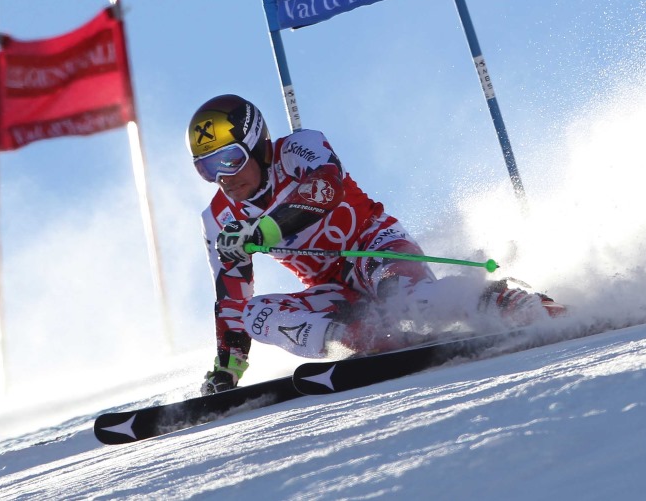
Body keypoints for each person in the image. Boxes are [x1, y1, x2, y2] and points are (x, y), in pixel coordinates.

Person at [188, 94, 564, 395]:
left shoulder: (299, 147)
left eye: (230, 159)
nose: (223, 178)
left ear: (256, 145)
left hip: (376, 248)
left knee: (411, 301)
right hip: (332, 288)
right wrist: (227, 368)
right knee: (257, 315)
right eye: (206, 168)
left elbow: (326, 188)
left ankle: (510, 302)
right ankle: (366, 340)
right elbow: (232, 298)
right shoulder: (218, 218)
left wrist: (262, 230)